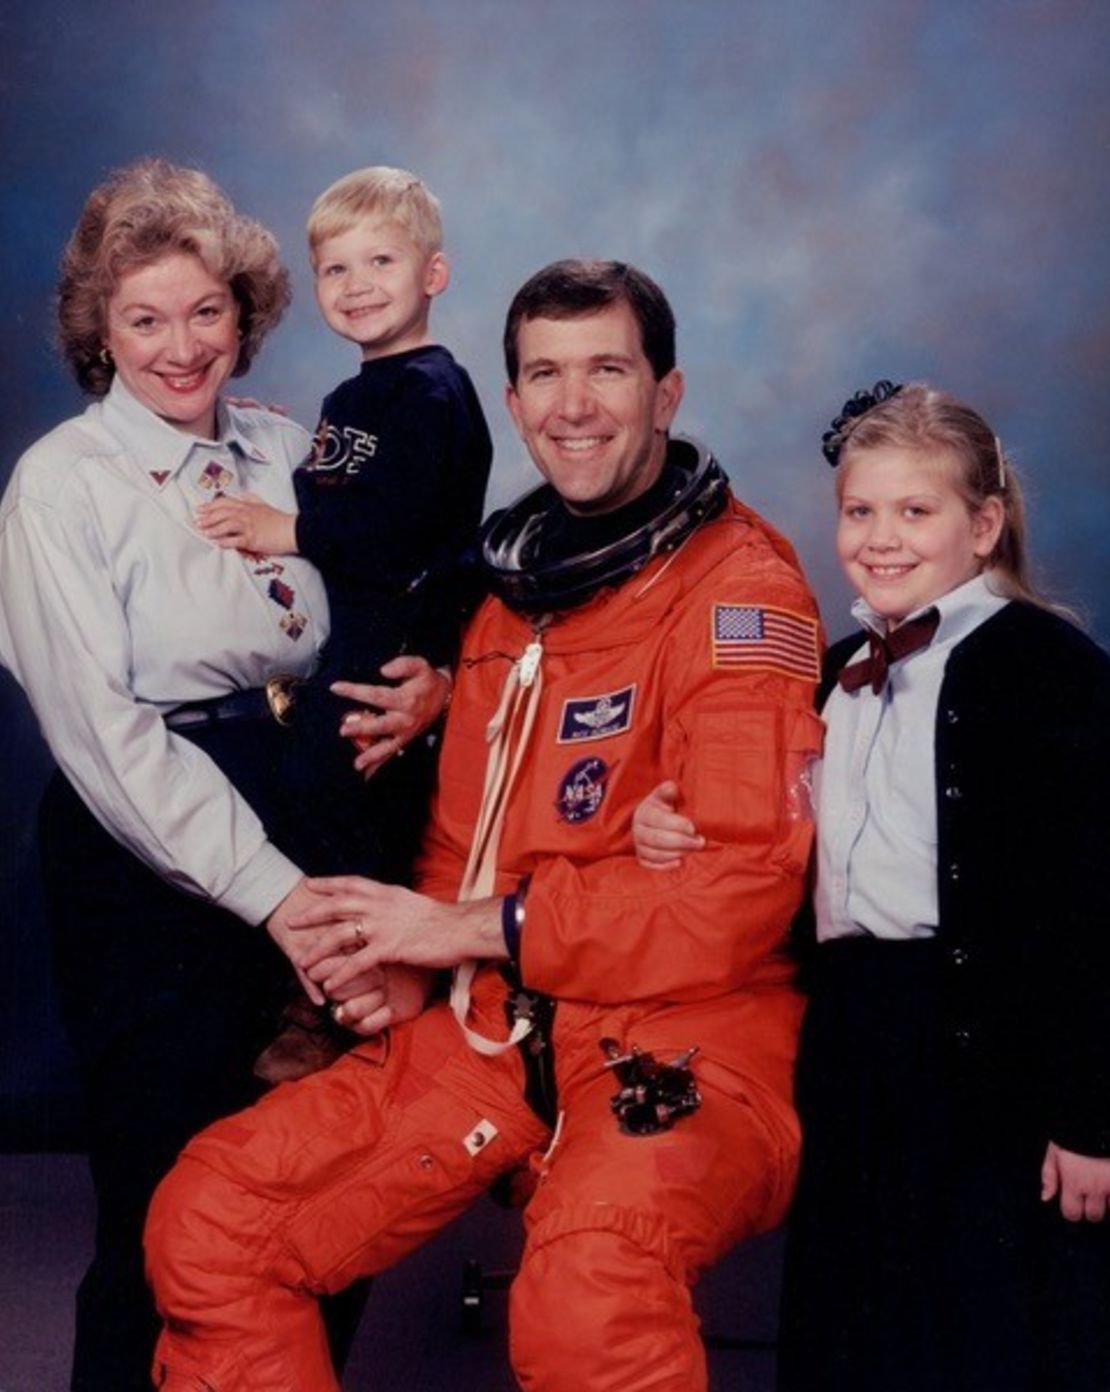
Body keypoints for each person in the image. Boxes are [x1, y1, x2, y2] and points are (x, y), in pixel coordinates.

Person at [143, 258, 825, 1392]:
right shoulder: (511, 600)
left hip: (689, 1029)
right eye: (544, 375)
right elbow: (460, 850)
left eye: (607, 369)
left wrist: (467, 930)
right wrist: (405, 966)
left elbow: (737, 890)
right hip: (493, 1026)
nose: (573, 405)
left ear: (668, 393)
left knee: (588, 1289)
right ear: (510, 404)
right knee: (211, 1220)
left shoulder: (739, 595)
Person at [0, 158, 442, 1391]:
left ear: (247, 311)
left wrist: (427, 682)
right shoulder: (63, 485)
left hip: (314, 807)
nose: (181, 346)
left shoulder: (295, 447)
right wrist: (275, 897)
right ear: (99, 332)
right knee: (170, 1207)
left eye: (206, 311)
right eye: (143, 318)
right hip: (151, 861)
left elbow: (380, 604)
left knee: (321, 1193)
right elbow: (102, 735)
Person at [633, 382, 1110, 1391]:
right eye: (861, 511)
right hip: (851, 1040)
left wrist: (1090, 1116)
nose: (882, 538)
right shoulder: (835, 672)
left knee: (989, 1333)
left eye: (915, 511)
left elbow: (1090, 908)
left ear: (983, 527)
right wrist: (662, 820)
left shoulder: (1048, 666)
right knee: (858, 1325)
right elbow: (765, 830)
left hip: (991, 1052)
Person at [195, 166, 491, 888]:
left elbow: (394, 526)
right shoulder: (353, 394)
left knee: (345, 801)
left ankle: (357, 970)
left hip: (393, 646)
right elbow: (333, 485)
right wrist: (263, 436)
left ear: (435, 274)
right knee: (306, 798)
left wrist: (286, 532)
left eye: (381, 261)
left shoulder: (431, 392)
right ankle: (329, 974)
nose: (356, 283)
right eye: (335, 268)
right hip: (345, 641)